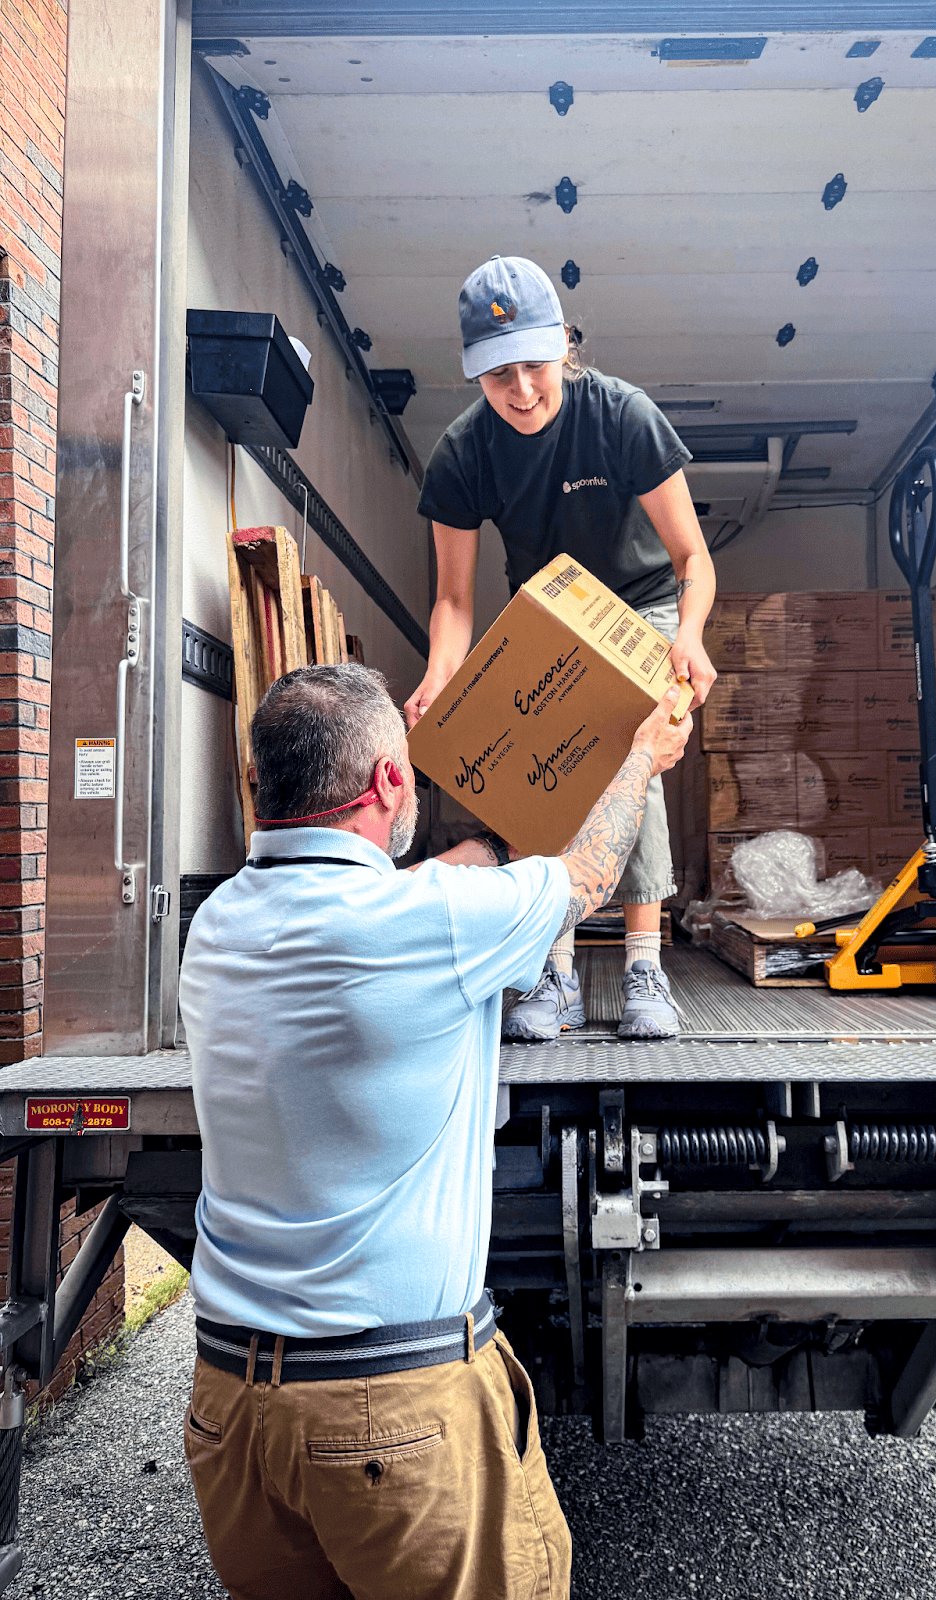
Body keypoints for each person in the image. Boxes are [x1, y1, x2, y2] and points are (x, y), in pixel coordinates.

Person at [178, 661, 691, 1600]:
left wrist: (486, 851)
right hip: (388, 1417)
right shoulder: (434, 924)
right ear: (387, 783)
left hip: (233, 1414)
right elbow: (585, 875)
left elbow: (416, 890)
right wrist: (641, 761)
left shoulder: (218, 929)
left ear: (263, 785)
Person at [406, 254, 718, 1044]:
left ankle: (645, 960)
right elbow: (451, 599)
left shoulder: (620, 416)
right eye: (497, 375)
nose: (520, 391)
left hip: (641, 605)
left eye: (535, 367)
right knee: (538, 766)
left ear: (565, 347)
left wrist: (689, 632)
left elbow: (693, 561)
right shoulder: (464, 451)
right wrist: (441, 676)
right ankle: (556, 969)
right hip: (547, 612)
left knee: (628, 748)